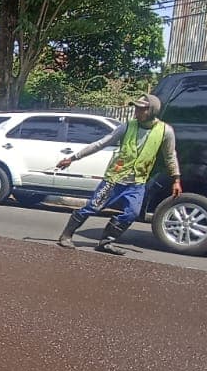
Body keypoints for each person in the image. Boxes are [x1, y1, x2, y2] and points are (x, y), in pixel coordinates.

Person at [55, 94, 181, 255]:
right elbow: (101, 143)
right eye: (136, 108)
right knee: (93, 207)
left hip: (138, 182)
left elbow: (170, 156)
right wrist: (73, 158)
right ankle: (66, 236)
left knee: (132, 213)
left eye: (141, 109)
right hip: (114, 179)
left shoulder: (165, 131)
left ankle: (106, 242)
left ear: (151, 111)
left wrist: (176, 179)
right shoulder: (127, 126)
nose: (136, 111)